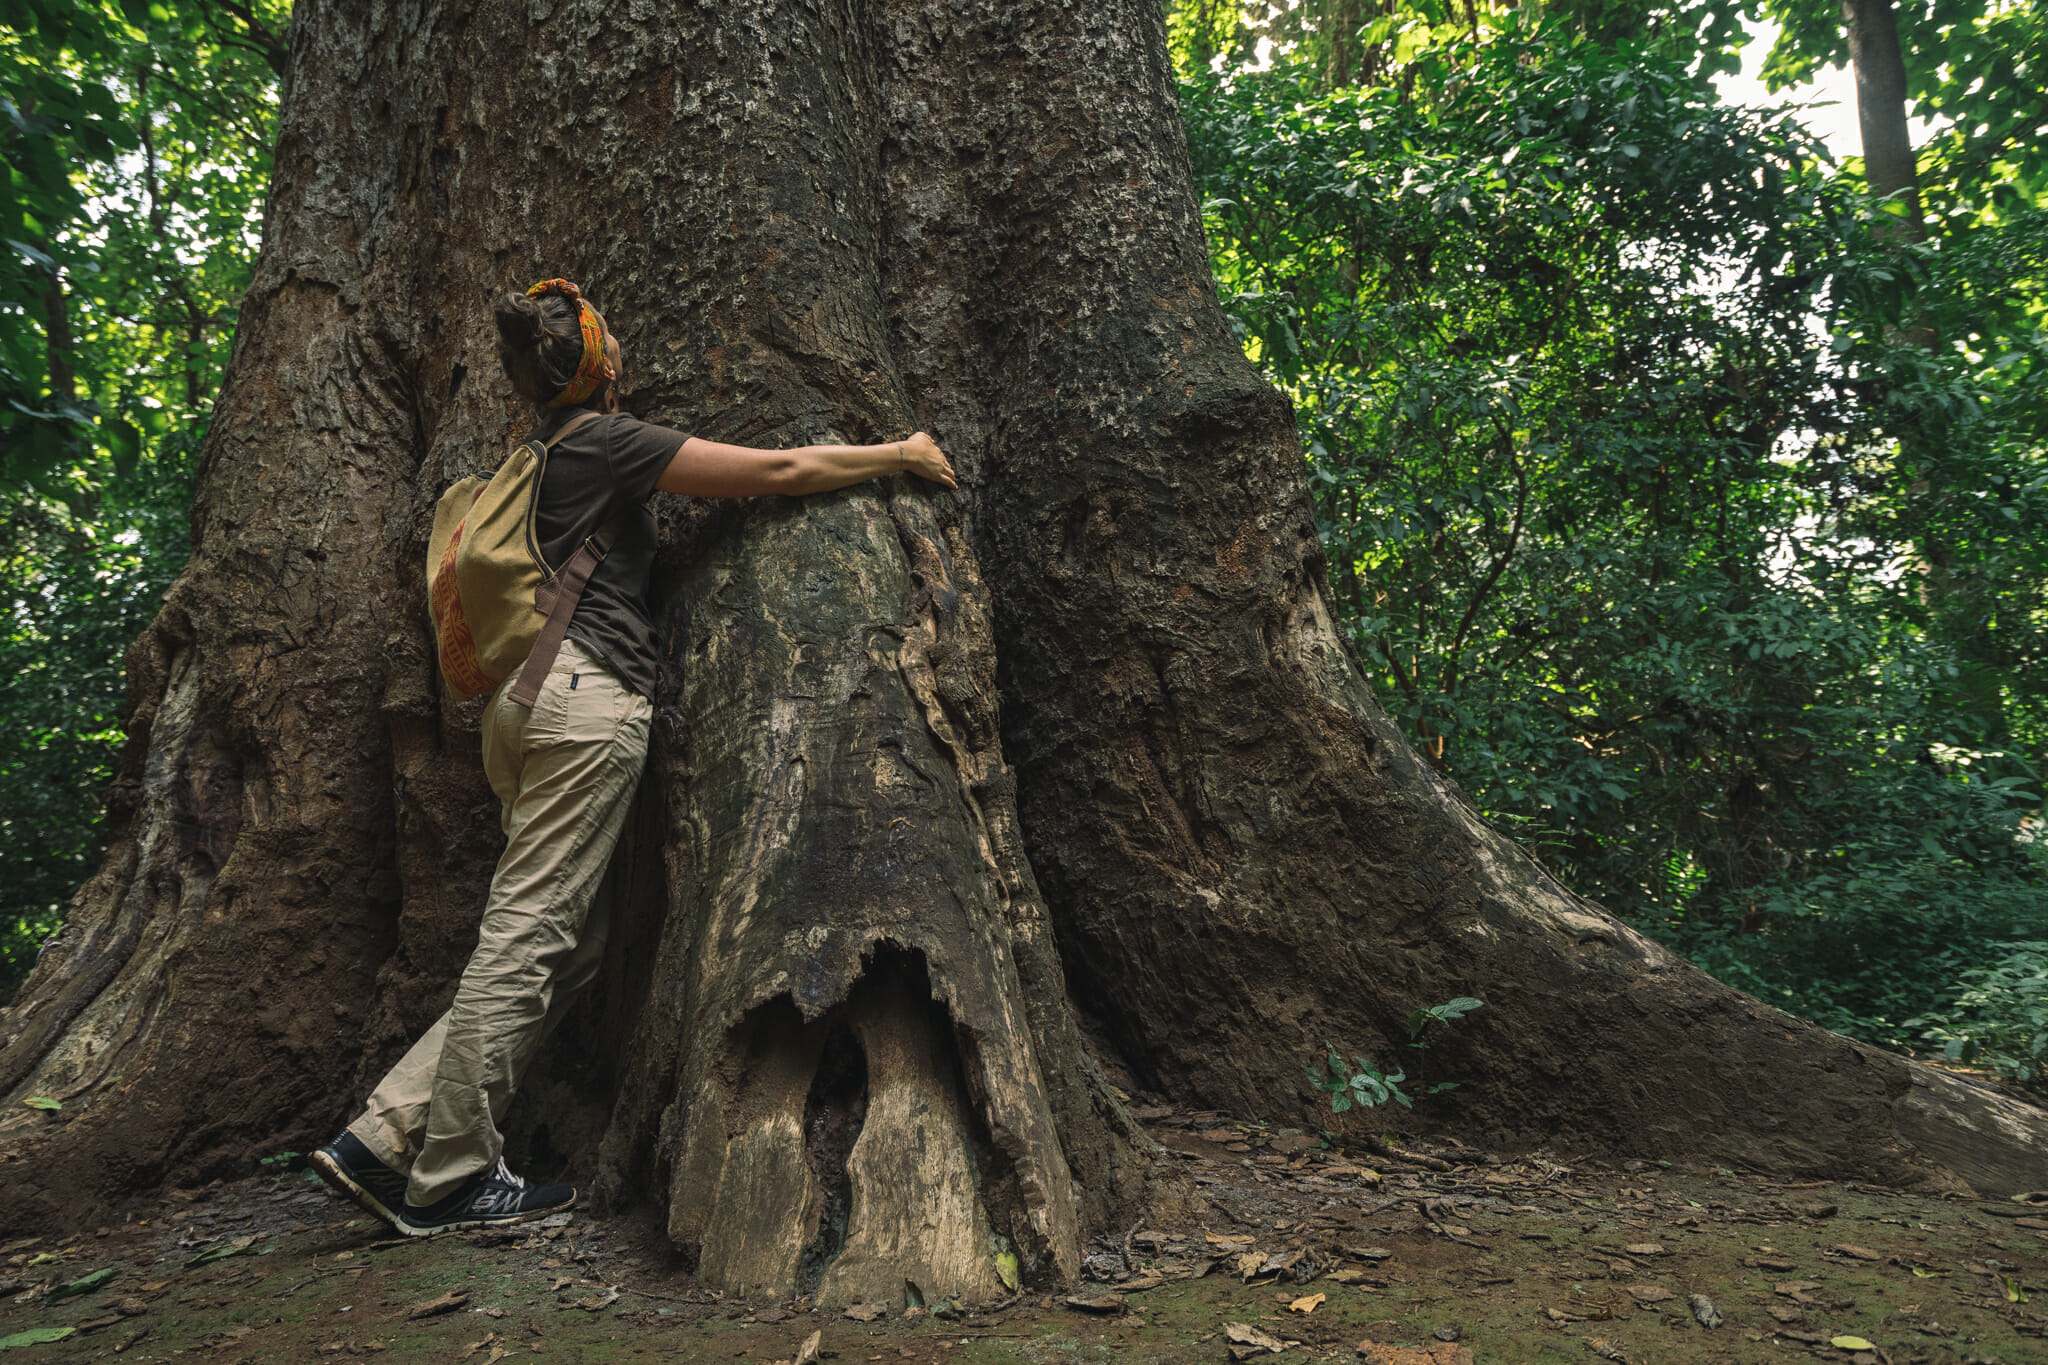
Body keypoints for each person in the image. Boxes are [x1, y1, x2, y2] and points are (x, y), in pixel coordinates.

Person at [311, 278, 956, 1237]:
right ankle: (447, 1174)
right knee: (530, 933)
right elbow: (777, 470)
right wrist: (898, 453)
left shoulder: (532, 459)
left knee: (571, 949)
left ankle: (387, 1133)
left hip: (520, 708)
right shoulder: (611, 443)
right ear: (602, 362)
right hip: (584, 698)